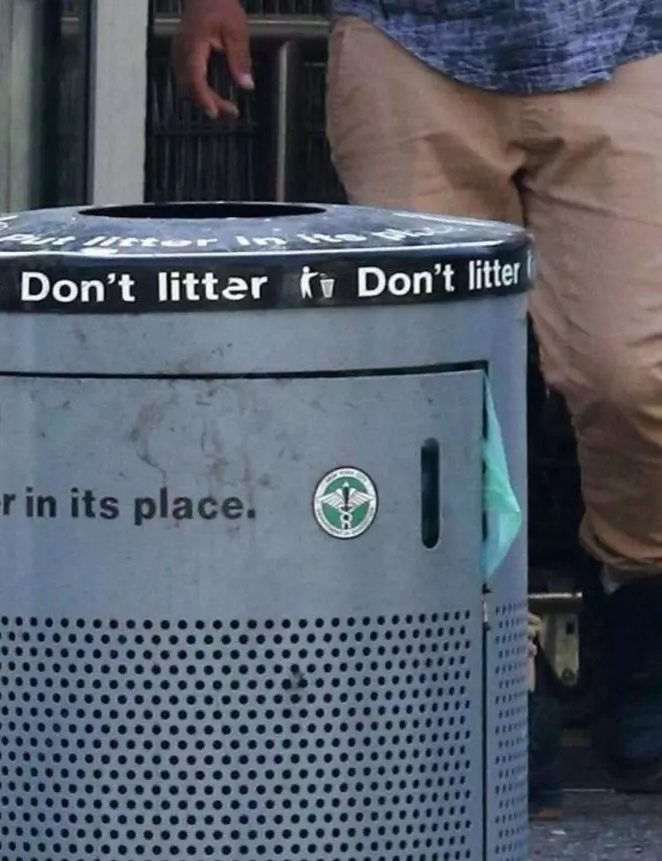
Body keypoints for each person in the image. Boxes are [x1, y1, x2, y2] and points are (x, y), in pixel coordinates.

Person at [174, 0, 662, 795]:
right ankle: (487, 669)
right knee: (431, 390)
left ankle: (640, 605)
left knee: (635, 374)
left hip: (627, 36)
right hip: (405, 36)